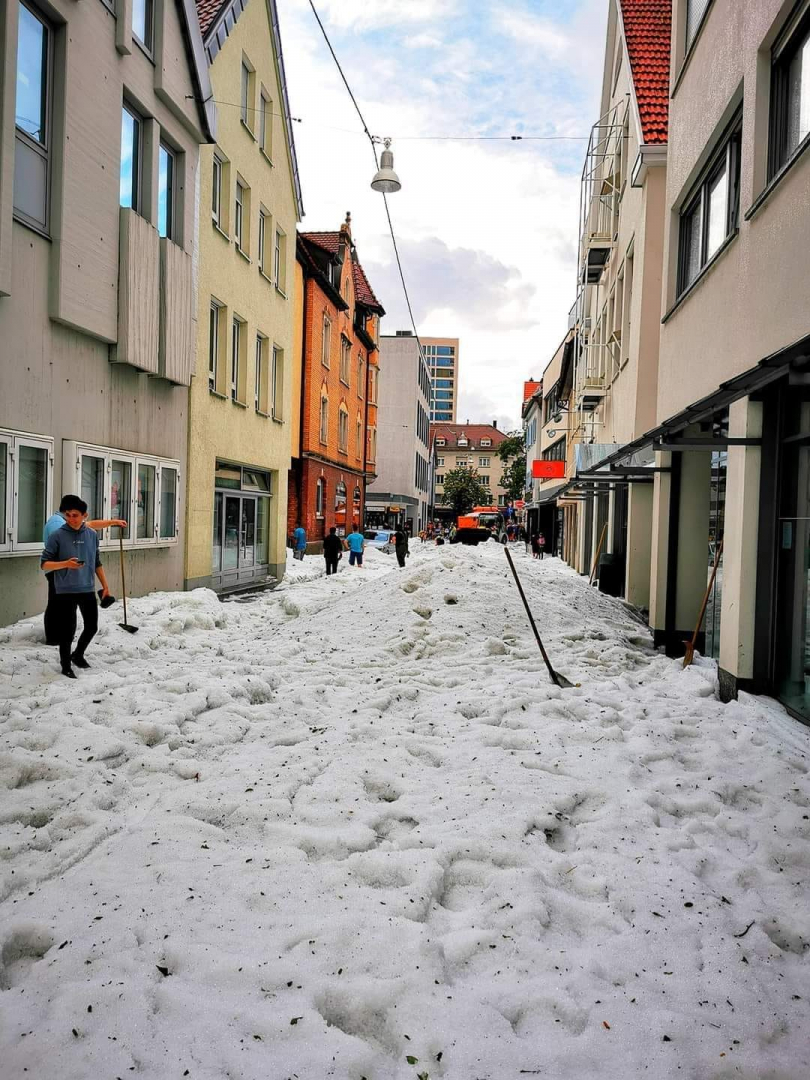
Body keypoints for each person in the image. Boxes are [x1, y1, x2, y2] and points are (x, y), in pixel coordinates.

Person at [41, 495, 113, 678]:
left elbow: (97, 562)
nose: (71, 518)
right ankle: (65, 666)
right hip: (65, 590)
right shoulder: (57, 535)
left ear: (84, 515)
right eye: (68, 515)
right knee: (68, 630)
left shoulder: (91, 535)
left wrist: (105, 585)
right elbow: (44, 564)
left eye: (75, 515)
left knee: (92, 626)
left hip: (87, 588)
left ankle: (78, 654)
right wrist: (65, 564)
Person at [42, 500, 126, 645]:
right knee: (56, 605)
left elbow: (91, 525)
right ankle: (54, 638)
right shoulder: (57, 525)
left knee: (60, 606)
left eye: (76, 515)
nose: (74, 520)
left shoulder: (68, 521)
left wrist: (113, 522)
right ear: (65, 514)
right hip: (58, 571)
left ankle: (60, 638)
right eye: (70, 515)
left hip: (70, 570)